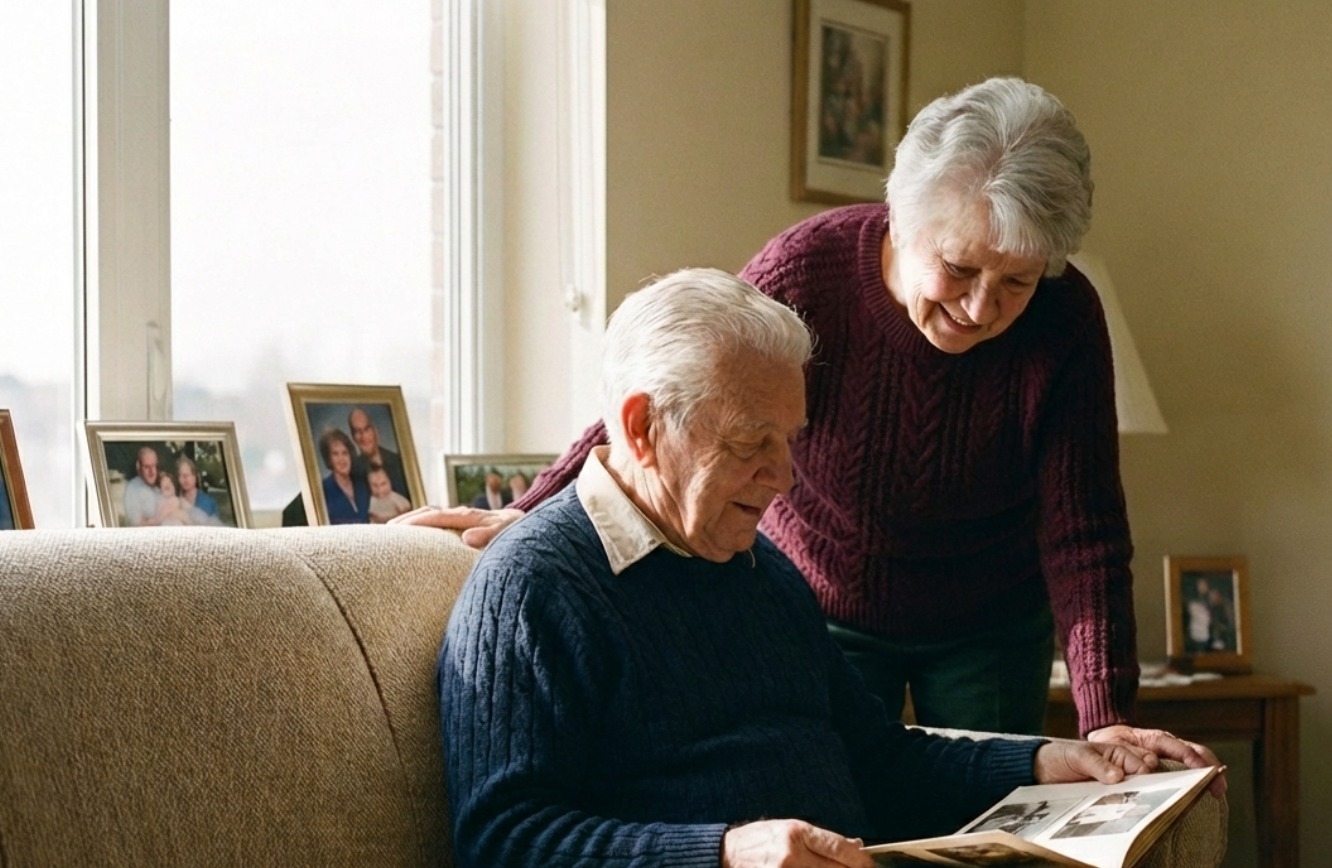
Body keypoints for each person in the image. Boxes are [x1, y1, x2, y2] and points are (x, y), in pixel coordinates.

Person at [437, 268, 1222, 868]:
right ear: (642, 428)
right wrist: (719, 859)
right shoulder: (537, 584)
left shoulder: (761, 570)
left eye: (790, 440)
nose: (782, 477)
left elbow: (876, 757)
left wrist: (1050, 761)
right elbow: (504, 840)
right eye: (752, 443)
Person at [404, 77, 1193, 758]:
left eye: (1016, 282)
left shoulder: (1066, 321)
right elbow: (664, 398)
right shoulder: (805, 271)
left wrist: (1107, 721)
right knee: (841, 804)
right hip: (823, 605)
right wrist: (531, 512)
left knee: (993, 818)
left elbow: (1084, 530)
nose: (983, 308)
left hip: (987, 621)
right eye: (959, 268)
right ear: (902, 222)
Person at [347, 407, 412, 503]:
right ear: (353, 437)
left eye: (366, 429)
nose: (363, 436)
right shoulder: (352, 472)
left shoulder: (399, 461)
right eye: (358, 431)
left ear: (375, 431)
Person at [318, 427, 370, 525]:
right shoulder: (323, 490)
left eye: (345, 453)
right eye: (335, 454)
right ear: (329, 459)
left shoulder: (362, 483)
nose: (342, 459)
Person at [174, 455, 224, 526]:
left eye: (188, 474)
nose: (185, 478)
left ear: (195, 476)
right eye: (181, 475)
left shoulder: (209, 502)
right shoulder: (175, 503)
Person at [122, 446, 165, 527]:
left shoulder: (158, 487)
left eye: (154, 466)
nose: (151, 471)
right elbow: (136, 524)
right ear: (139, 467)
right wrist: (158, 520)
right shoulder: (133, 488)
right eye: (147, 467)